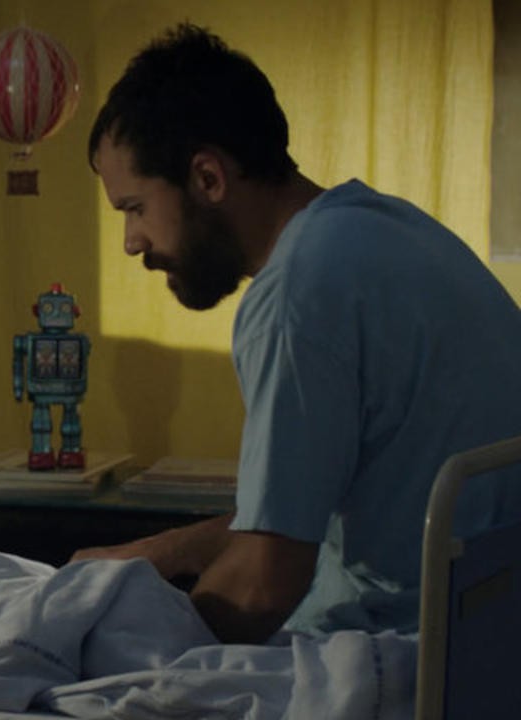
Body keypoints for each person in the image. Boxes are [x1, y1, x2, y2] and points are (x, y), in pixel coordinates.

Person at [72, 23, 521, 644]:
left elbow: (264, 584)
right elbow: (294, 522)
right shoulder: (390, 228)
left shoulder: (295, 295)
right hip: (491, 626)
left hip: (403, 643)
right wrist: (159, 552)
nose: (131, 243)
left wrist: (141, 647)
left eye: (135, 209)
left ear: (208, 178)